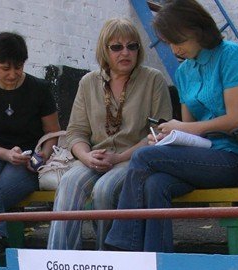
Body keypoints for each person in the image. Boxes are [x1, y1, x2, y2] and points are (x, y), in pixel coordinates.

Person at [105, 0, 238, 253]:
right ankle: (158, 260)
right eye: (169, 42)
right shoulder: (185, 71)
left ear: (199, 30)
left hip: (234, 157)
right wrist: (168, 137)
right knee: (155, 184)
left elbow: (237, 120)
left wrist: (182, 130)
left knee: (143, 156)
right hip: (200, 156)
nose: (175, 49)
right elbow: (189, 128)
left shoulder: (230, 55)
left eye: (179, 41)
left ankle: (122, 247)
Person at [47, 17, 172, 251]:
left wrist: (118, 158)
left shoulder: (153, 79)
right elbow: (75, 132)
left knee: (104, 190)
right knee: (69, 183)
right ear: (104, 50)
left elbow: (159, 134)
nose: (125, 52)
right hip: (95, 157)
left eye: (132, 46)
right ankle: (58, 263)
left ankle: (108, 265)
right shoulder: (88, 82)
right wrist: (86, 157)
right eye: (117, 47)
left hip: (134, 159)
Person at [0, 31, 60, 268]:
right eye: (5, 68)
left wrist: (41, 156)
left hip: (28, 162)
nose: (12, 74)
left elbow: (53, 134)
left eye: (18, 67)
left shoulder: (39, 88)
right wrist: (7, 154)